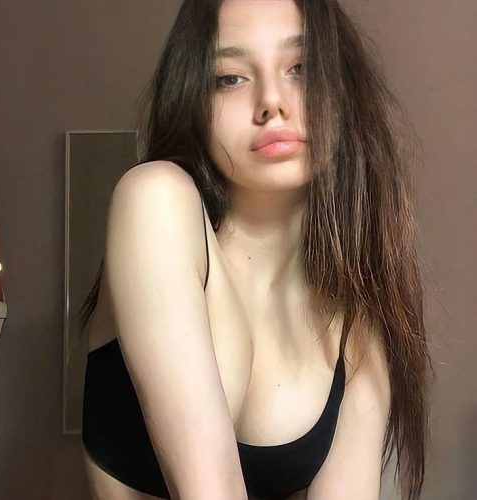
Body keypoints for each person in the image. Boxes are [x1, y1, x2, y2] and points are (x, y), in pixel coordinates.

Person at [79, 1, 433, 499]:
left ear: (343, 90)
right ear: (193, 100)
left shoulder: (358, 335)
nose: (272, 102)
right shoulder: (154, 202)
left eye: (301, 68)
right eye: (230, 78)